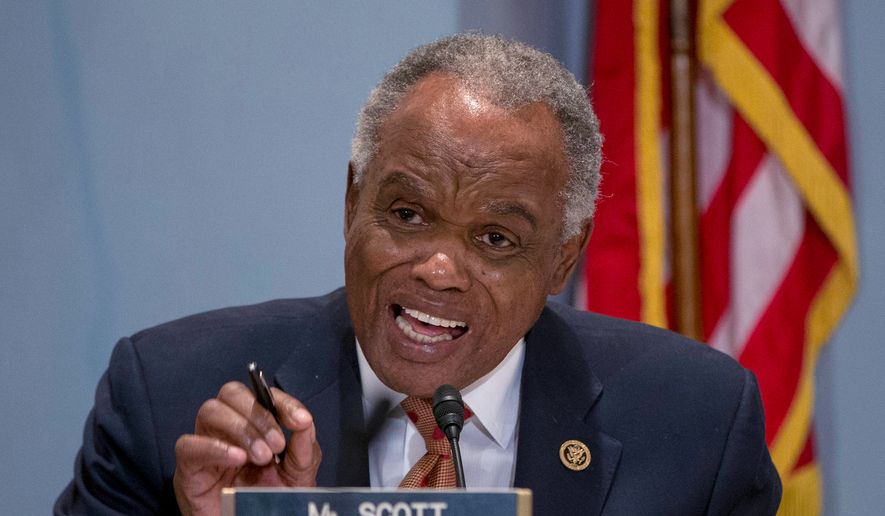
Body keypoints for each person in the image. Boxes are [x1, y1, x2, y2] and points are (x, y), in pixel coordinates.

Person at [55, 34, 781, 515]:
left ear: (563, 257)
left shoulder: (695, 426)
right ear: (352, 203)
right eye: (406, 214)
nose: (437, 269)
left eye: (495, 238)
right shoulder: (167, 399)